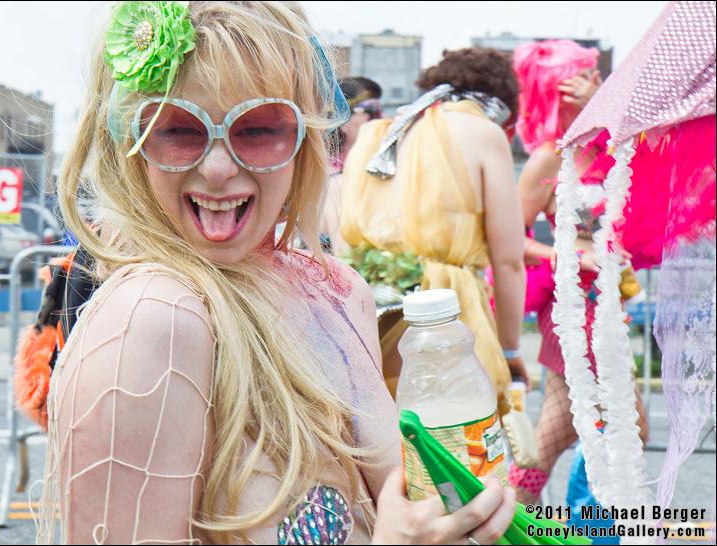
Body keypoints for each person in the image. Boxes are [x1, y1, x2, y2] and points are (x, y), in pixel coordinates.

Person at [35, 2, 516, 544]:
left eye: (259, 128)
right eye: (179, 129)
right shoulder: (153, 319)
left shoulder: (338, 291)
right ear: (130, 141)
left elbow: (408, 503)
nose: (218, 168)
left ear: (306, 138)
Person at [339, 47, 528, 414]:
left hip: (368, 313)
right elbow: (509, 262)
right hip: (444, 315)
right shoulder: (483, 132)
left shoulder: (378, 134)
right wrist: (510, 350)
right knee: (454, 438)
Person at [511, 39, 648, 505]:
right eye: (585, 77)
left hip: (606, 301)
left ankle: (536, 518)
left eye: (595, 77)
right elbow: (509, 238)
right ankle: (510, 518)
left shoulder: (612, 147)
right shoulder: (549, 157)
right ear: (559, 93)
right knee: (600, 427)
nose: (595, 83)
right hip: (572, 305)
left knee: (597, 427)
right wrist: (570, 256)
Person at [323, 77, 383, 254]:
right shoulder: (330, 177)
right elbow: (345, 254)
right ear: (343, 118)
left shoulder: (379, 166)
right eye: (371, 110)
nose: (380, 119)